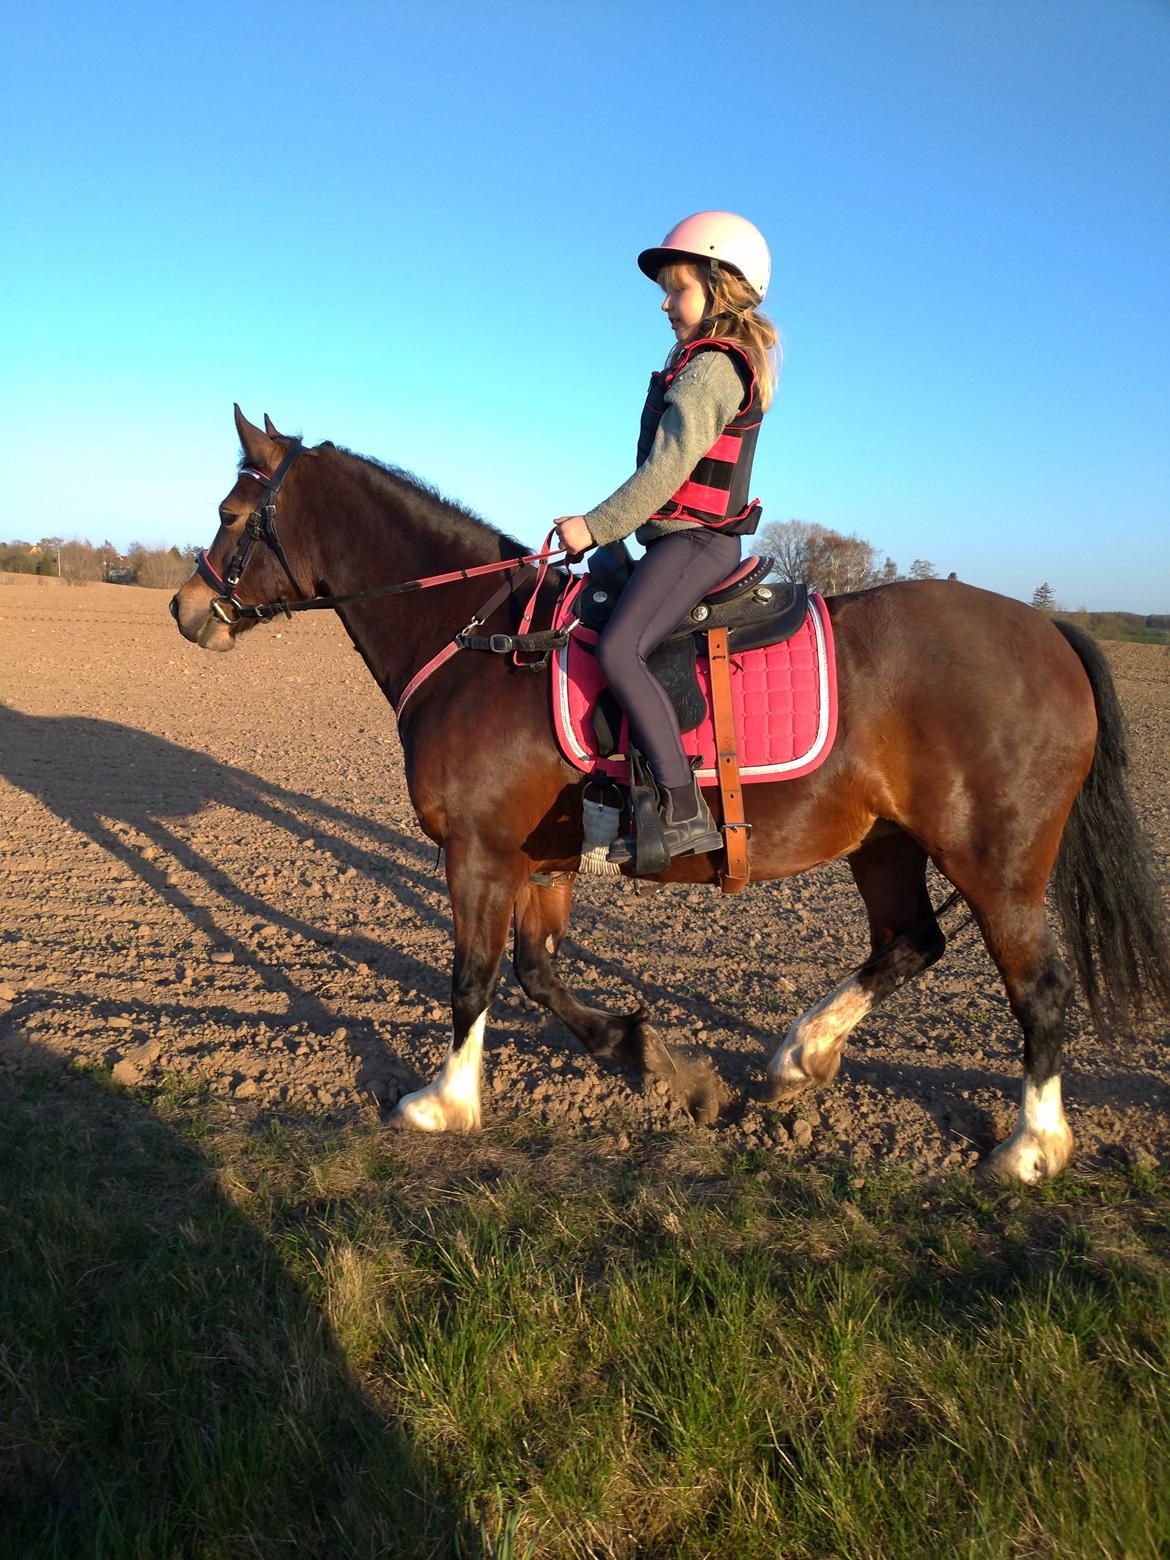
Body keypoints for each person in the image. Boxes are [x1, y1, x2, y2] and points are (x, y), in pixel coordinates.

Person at [553, 210, 779, 864]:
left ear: (721, 285)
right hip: (674, 540)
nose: (664, 302)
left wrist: (592, 526)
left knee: (622, 648)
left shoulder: (712, 367)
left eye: (677, 288)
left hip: (698, 542)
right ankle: (612, 790)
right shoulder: (695, 360)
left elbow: (666, 471)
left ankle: (682, 810)